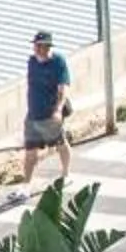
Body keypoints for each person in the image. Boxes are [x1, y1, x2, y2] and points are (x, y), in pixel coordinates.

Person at [22, 30, 74, 188]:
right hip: (33, 115)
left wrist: (58, 110)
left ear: (48, 47)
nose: (37, 49)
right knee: (30, 151)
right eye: (36, 46)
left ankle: (66, 174)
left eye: (41, 46)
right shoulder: (32, 62)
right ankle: (26, 185)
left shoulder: (58, 62)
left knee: (60, 143)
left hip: (50, 115)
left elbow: (63, 88)